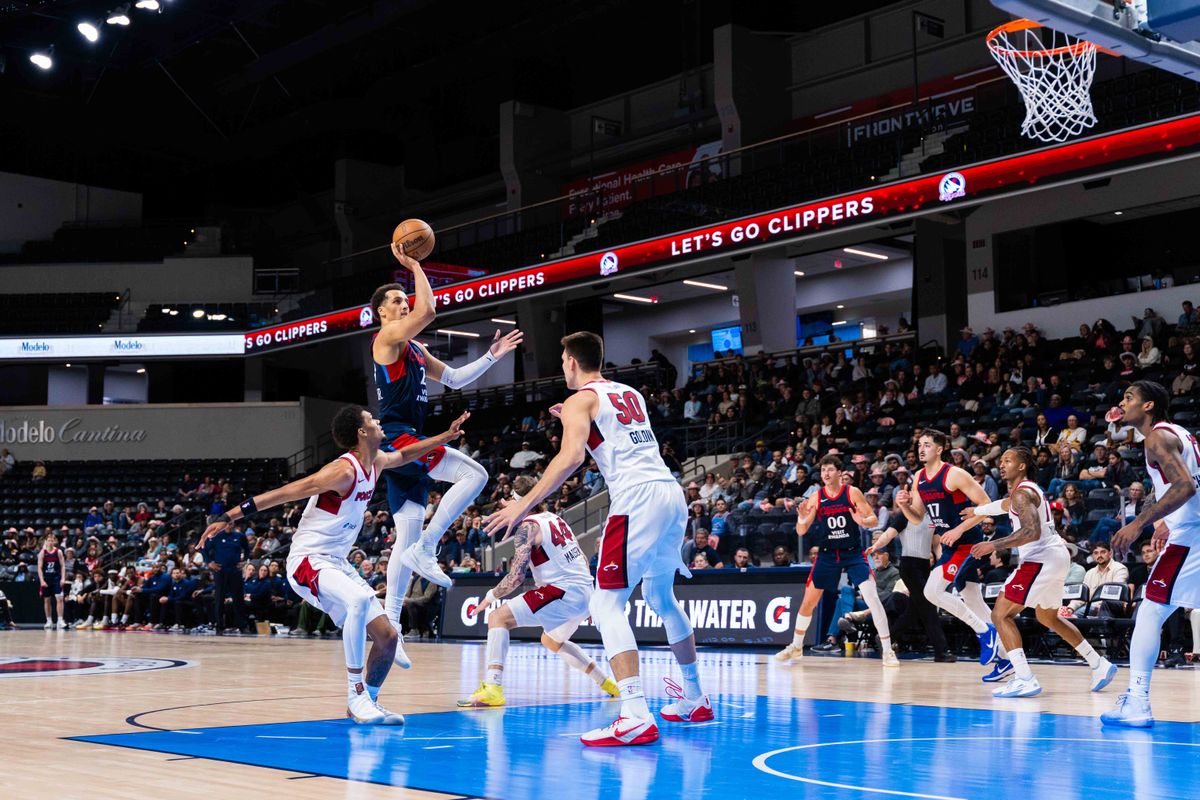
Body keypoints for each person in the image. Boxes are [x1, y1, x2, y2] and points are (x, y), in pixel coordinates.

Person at [483, 331, 710, 747]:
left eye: (563, 359)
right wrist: (570, 417)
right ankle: (694, 697)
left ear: (571, 361)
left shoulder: (578, 401)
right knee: (661, 599)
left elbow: (571, 458)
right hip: (670, 494)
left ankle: (635, 713)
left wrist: (524, 505)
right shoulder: (629, 393)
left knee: (605, 604)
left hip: (636, 499)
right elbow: (612, 434)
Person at [199, 404, 468, 725]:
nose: (379, 421)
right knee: (357, 602)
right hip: (307, 561)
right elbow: (287, 492)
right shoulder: (342, 471)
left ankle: (369, 700)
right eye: (371, 419)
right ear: (361, 432)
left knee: (388, 636)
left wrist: (444, 437)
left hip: (337, 563)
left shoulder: (378, 461)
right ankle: (355, 695)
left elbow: (406, 456)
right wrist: (227, 516)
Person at [369, 252, 521, 671]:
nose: (404, 304)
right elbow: (430, 308)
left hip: (407, 439)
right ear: (382, 312)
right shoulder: (387, 340)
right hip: (400, 435)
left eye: (405, 299)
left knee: (403, 536)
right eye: (397, 300)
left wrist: (492, 357)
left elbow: (454, 379)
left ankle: (392, 627)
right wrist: (415, 266)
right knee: (476, 474)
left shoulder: (414, 348)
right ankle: (429, 546)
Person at [963, 447, 1116, 697]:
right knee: (1049, 618)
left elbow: (1030, 532)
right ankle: (1099, 664)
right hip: (1055, 557)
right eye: (1000, 461)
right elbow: (1003, 505)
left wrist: (993, 544)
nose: (1002, 465)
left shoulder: (1022, 493)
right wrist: (978, 511)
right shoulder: (1023, 492)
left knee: (1000, 615)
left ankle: (1025, 678)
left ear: (1022, 466)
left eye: (1008, 461)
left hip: (1040, 558)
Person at [459, 476, 618, 708]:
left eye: (510, 501)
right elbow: (581, 556)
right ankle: (607, 683)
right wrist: (590, 598)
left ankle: (493, 687)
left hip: (562, 591)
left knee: (497, 617)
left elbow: (516, 577)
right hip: (584, 590)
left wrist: (491, 596)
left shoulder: (528, 527)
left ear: (518, 501)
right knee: (551, 641)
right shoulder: (555, 519)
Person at [1103, 381, 1200, 727]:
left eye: (1129, 397)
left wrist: (1139, 524)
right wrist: (1167, 521)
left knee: (1151, 609)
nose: (1122, 401)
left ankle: (1138, 702)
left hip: (1194, 535)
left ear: (1148, 406)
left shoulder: (1157, 437)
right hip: (1188, 528)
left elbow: (1186, 485)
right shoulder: (1179, 433)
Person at [896, 428, 1003, 673]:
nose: (921, 449)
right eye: (919, 444)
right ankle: (1006, 657)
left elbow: (986, 504)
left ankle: (984, 632)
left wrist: (958, 529)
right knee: (975, 602)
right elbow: (917, 517)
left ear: (939, 448)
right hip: (950, 546)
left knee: (932, 591)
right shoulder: (919, 477)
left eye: (927, 445)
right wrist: (903, 506)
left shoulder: (954, 474)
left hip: (968, 544)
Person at [775, 454, 898, 667]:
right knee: (808, 601)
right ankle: (796, 646)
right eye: (823, 471)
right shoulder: (816, 496)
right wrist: (801, 518)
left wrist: (862, 520)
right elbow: (801, 531)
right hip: (827, 554)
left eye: (830, 470)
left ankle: (887, 651)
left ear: (840, 473)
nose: (826, 474)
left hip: (852, 553)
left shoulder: (852, 492)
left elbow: (874, 520)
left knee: (872, 598)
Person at [870, 515, 953, 662]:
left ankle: (887, 637)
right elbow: (889, 534)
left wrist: (942, 563)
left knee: (913, 611)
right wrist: (877, 545)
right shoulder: (903, 516)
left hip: (924, 566)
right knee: (928, 606)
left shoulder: (932, 516)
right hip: (909, 566)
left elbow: (935, 544)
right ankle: (941, 651)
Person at [38, 533, 66, 629]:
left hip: (56, 578)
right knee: (47, 600)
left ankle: (60, 620)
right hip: (46, 578)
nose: (50, 542)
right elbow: (39, 568)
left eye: (52, 540)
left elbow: (63, 566)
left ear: (54, 541)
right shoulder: (42, 552)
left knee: (59, 599)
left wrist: (63, 578)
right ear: (46, 541)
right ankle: (49, 620)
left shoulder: (58, 552)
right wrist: (41, 580)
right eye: (48, 540)